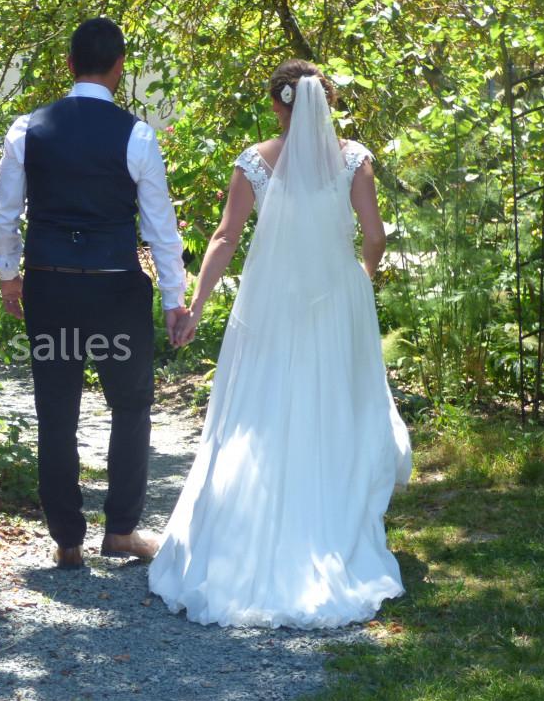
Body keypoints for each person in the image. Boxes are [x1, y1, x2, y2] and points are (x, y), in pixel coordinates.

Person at [149, 59, 413, 627]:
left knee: (262, 412)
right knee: (336, 405)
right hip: (337, 303)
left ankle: (247, 529)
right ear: (329, 102)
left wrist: (195, 306)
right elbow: (374, 234)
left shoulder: (255, 162)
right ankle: (333, 520)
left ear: (278, 104)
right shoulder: (353, 160)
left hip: (270, 305)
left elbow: (224, 237)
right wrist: (361, 276)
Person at [0, 17, 188, 570]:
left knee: (56, 412)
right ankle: (121, 530)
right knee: (130, 407)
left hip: (51, 287)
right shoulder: (138, 135)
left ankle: (67, 540)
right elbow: (160, 229)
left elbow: (4, 213)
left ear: (70, 64)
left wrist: (9, 275)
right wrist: (175, 300)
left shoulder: (27, 128)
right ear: (119, 70)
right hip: (116, 291)